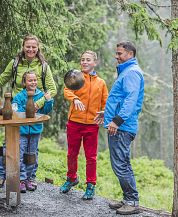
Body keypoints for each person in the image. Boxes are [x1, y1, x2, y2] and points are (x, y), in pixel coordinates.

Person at [0, 34, 57, 188]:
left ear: (38, 48)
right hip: (15, 108)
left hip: (33, 112)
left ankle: (26, 178)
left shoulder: (43, 66)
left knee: (30, 148)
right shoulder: (15, 63)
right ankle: (1, 175)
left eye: (34, 47)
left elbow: (52, 90)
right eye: (28, 46)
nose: (31, 49)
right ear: (23, 47)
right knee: (7, 144)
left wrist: (38, 104)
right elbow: (2, 78)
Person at [96, 41, 144, 215]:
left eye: (119, 54)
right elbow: (120, 99)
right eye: (116, 53)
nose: (116, 57)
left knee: (120, 165)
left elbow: (130, 100)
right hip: (121, 125)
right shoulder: (127, 71)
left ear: (130, 54)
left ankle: (132, 201)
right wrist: (106, 113)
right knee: (122, 163)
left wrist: (116, 120)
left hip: (123, 127)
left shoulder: (131, 73)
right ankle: (128, 198)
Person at [60, 51, 108, 200]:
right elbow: (66, 90)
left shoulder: (101, 83)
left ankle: (90, 185)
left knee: (91, 156)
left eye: (88, 60)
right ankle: (71, 178)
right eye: (82, 60)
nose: (85, 62)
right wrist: (74, 99)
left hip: (92, 125)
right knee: (71, 153)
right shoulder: (75, 77)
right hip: (74, 121)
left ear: (95, 62)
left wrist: (105, 112)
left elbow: (106, 102)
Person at [11, 71, 53, 193]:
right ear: (24, 82)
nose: (33, 82)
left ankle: (29, 178)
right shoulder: (19, 96)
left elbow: (46, 110)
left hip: (35, 129)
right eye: (30, 80)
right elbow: (15, 111)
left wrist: (49, 101)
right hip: (22, 131)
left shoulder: (41, 95)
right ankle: (21, 179)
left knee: (32, 154)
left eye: (35, 80)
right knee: (21, 153)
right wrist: (27, 108)